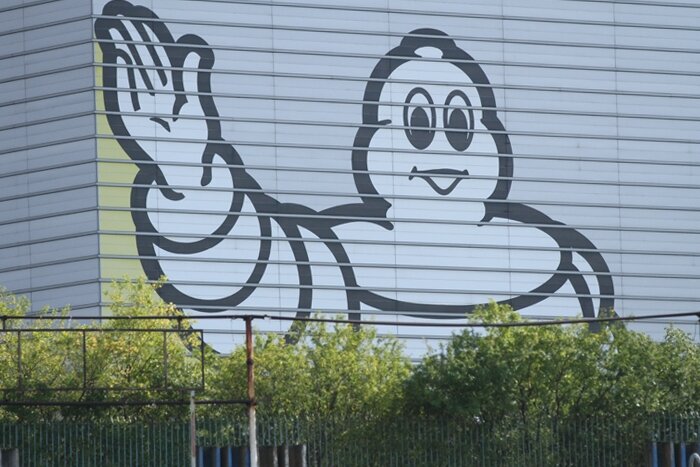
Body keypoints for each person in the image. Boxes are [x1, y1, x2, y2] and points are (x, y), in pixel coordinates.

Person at [320, 29, 615, 324]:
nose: (440, 146)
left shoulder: (553, 256)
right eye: (418, 124)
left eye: (459, 126)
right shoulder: (328, 252)